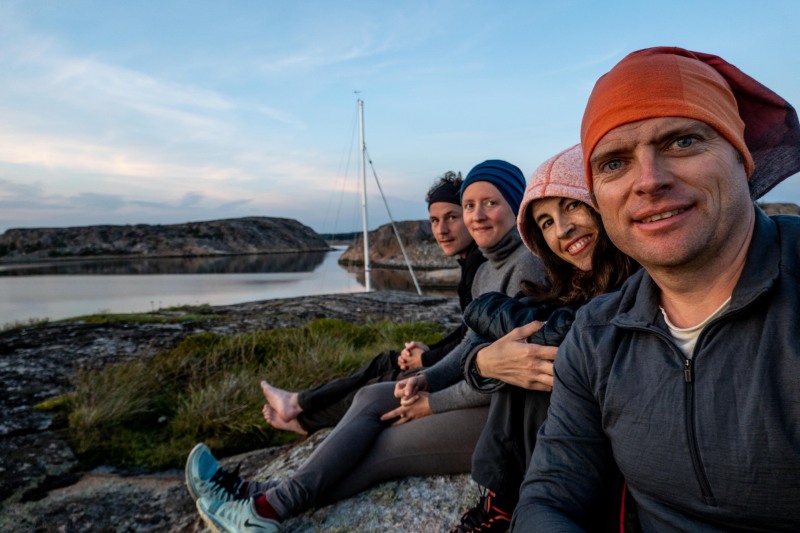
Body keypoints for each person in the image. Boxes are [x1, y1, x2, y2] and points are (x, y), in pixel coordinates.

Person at [513, 47, 800, 532]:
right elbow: (550, 496)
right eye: (613, 164)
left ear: (741, 156)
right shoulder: (597, 333)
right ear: (600, 198)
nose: (649, 181)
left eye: (683, 141)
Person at [186, 159, 547, 533]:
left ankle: (266, 507)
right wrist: (429, 379)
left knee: (383, 446)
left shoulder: (528, 267)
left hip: (505, 420)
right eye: (470, 205)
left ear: (518, 205)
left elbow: (510, 375)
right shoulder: (488, 268)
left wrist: (434, 403)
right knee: (373, 396)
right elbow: (473, 343)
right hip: (477, 396)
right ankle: (258, 496)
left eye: (491, 203)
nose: (477, 215)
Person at [448, 145, 636, 533]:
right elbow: (478, 329)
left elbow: (562, 336)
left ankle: (503, 507)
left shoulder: (636, 281)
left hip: (594, 456)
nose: (562, 229)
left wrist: (489, 353)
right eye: (546, 222)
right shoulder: (565, 285)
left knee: (538, 363)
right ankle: (500, 505)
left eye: (571, 206)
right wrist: (482, 363)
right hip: (540, 455)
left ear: (601, 202)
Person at [260, 171, 486, 436]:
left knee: (380, 385)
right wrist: (427, 350)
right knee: (384, 361)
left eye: (451, 217)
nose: (441, 230)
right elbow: (467, 330)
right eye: (435, 220)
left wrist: (424, 358)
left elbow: (474, 340)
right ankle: (298, 402)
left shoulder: (480, 266)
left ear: (469, 216)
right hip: (456, 360)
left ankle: (303, 421)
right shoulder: (471, 263)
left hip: (464, 373)